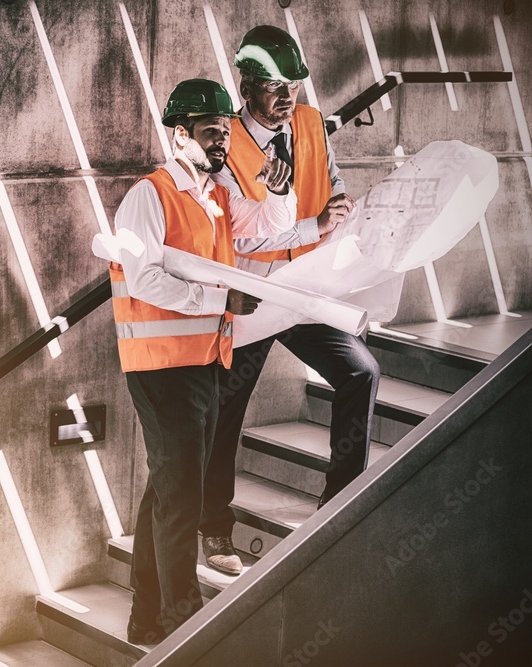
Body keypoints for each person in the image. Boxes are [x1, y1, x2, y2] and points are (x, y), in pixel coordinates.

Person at [112, 78, 296, 644]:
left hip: (203, 363)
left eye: (224, 130)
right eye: (211, 131)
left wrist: (277, 189)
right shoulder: (149, 195)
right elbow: (144, 279)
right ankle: (184, 633)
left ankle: (147, 619)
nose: (222, 140)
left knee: (167, 490)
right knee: (183, 498)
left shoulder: (216, 195)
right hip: (163, 367)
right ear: (180, 135)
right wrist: (222, 301)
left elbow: (266, 234)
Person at [200, 25, 381, 577]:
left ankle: (339, 504)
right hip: (250, 298)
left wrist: (341, 208)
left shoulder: (306, 123)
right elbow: (230, 231)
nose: (288, 98)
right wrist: (311, 221)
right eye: (275, 87)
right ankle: (213, 528)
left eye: (295, 86)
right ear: (247, 85)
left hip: (303, 289)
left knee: (361, 371)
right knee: (224, 409)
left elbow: (330, 182)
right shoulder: (222, 140)